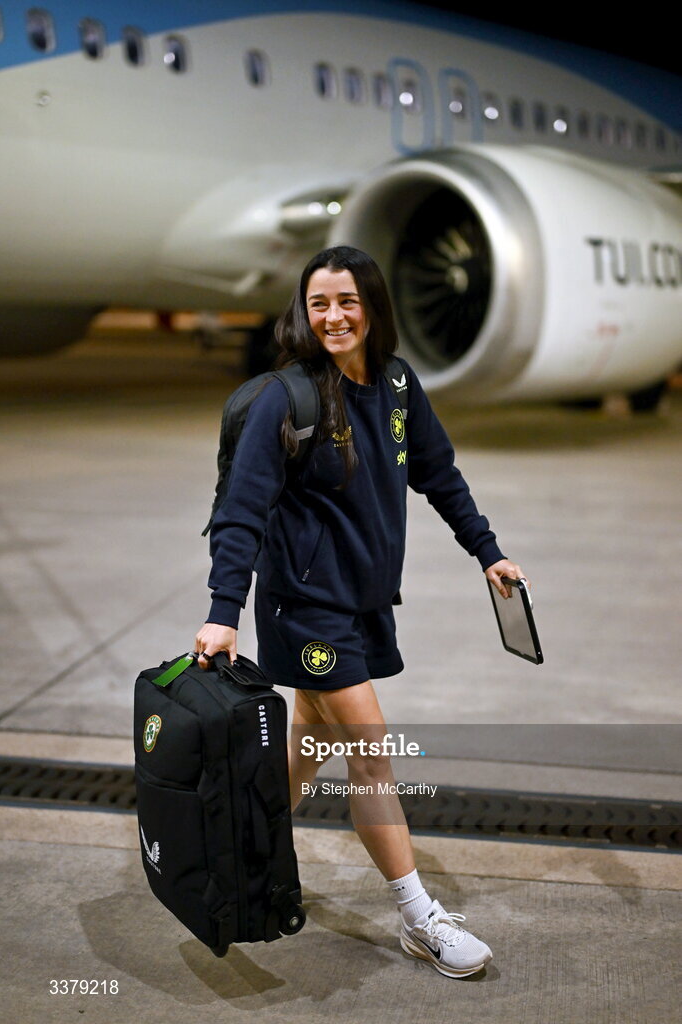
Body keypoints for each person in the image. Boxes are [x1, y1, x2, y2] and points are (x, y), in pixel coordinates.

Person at [195, 245, 529, 979]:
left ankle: (243, 854)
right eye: (318, 304)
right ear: (303, 312)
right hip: (304, 607)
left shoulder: (399, 384)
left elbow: (437, 471)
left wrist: (487, 550)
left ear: (372, 307)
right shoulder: (288, 399)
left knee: (311, 740)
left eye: (347, 301)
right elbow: (241, 513)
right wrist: (225, 611)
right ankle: (418, 918)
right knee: (372, 756)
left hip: (365, 601)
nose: (333, 316)